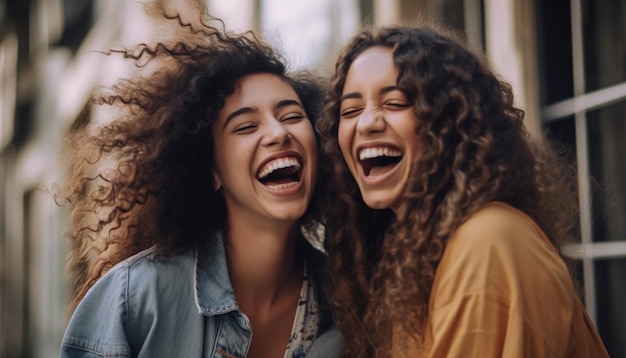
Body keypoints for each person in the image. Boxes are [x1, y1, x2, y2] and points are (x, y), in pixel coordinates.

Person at [316, 25, 609, 357]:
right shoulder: (412, 257)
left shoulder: (487, 240)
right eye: (350, 110)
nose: (367, 123)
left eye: (396, 102)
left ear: (451, 120)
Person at [57, 9, 336, 358]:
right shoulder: (134, 300)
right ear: (211, 171)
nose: (279, 133)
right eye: (246, 126)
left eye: (292, 117)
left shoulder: (349, 304)